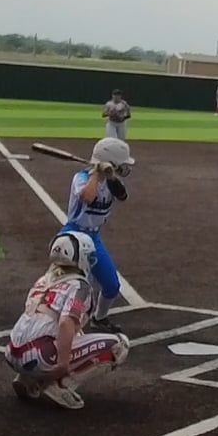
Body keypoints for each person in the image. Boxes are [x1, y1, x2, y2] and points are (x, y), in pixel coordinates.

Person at [6, 231, 133, 409]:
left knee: (73, 332)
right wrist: (63, 364)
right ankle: (60, 384)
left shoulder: (43, 280)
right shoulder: (79, 286)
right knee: (119, 345)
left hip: (12, 352)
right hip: (40, 355)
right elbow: (66, 322)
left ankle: (28, 378)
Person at [64, 136, 133, 335]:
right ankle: (64, 325)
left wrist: (110, 176)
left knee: (111, 285)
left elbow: (123, 196)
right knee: (77, 288)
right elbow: (87, 197)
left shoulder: (112, 182)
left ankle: (99, 318)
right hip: (73, 238)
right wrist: (96, 173)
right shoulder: (81, 177)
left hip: (93, 238)